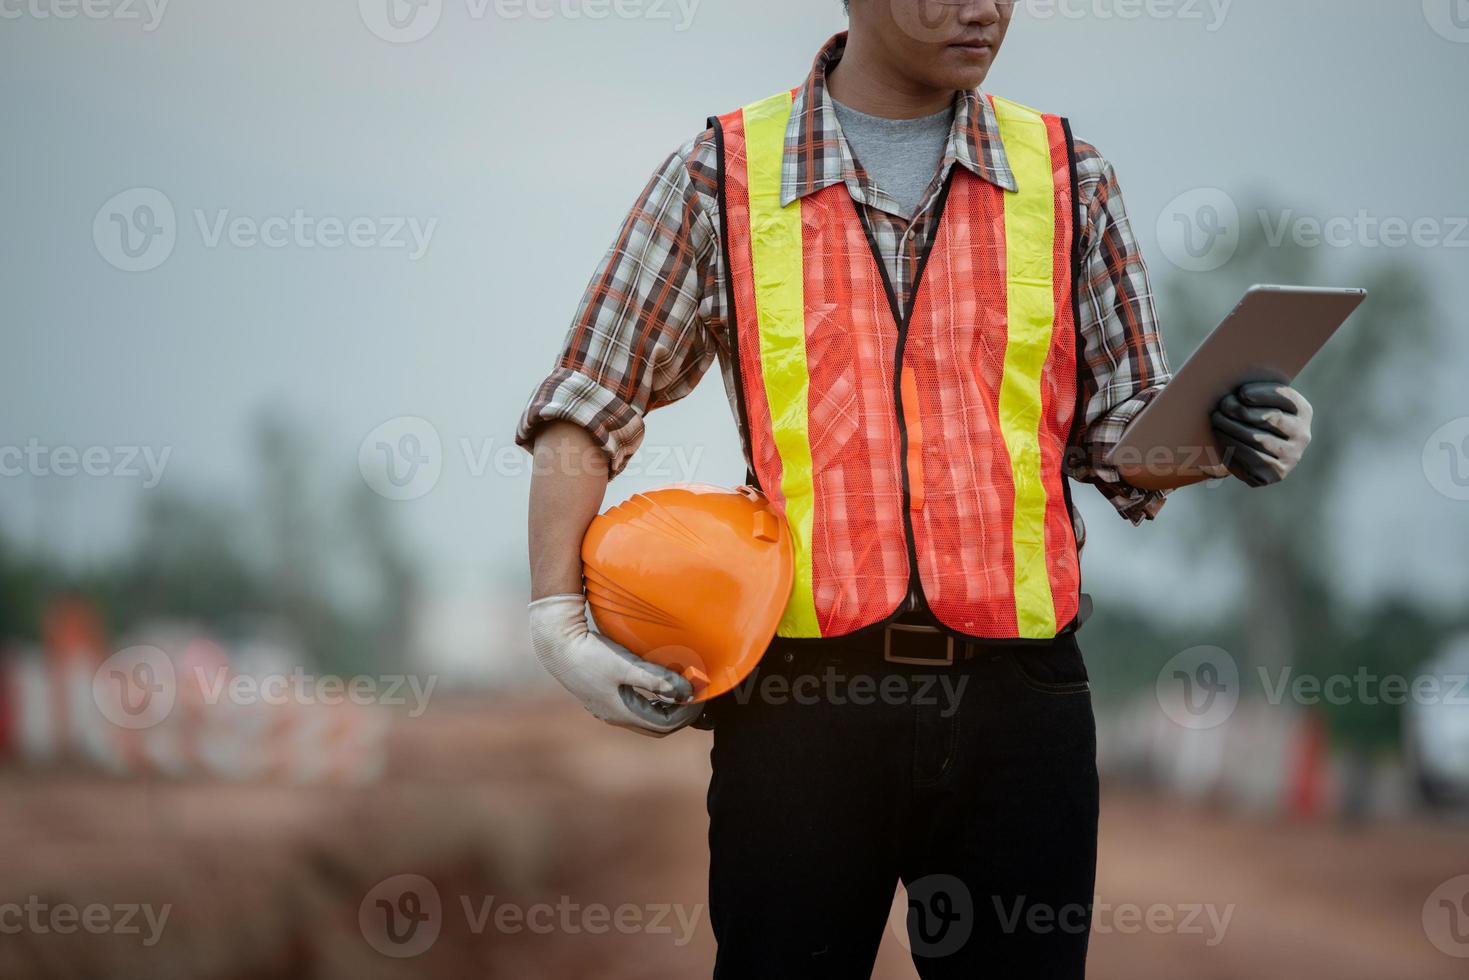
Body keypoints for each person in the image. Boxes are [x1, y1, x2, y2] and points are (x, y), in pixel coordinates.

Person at [518, 2, 1313, 976]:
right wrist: (559, 618)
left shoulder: (1068, 178)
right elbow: (587, 401)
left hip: (1018, 708)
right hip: (800, 709)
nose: (981, 7)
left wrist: (1220, 434)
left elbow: (1119, 443)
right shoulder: (720, 174)